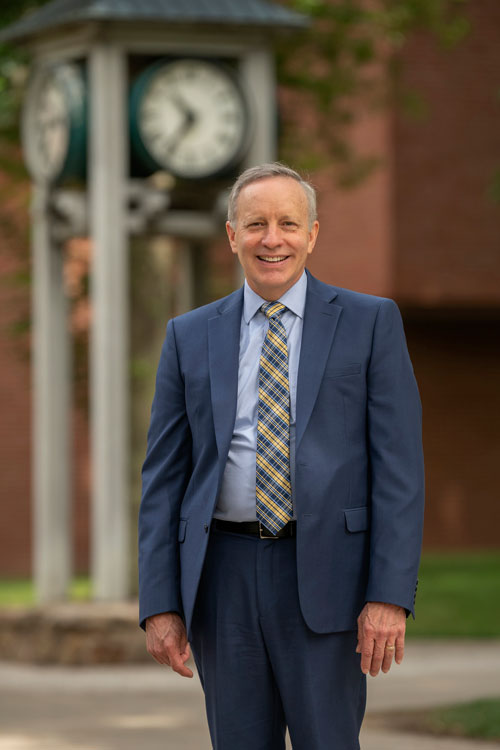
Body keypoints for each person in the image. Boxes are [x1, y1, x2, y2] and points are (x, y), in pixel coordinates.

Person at [138, 162, 425, 749]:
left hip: (329, 578)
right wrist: (160, 604)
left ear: (313, 234)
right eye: (256, 224)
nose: (273, 239)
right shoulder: (187, 336)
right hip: (223, 579)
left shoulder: (371, 324)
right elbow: (163, 481)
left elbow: (399, 471)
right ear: (232, 236)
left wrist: (389, 595)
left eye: (289, 224)